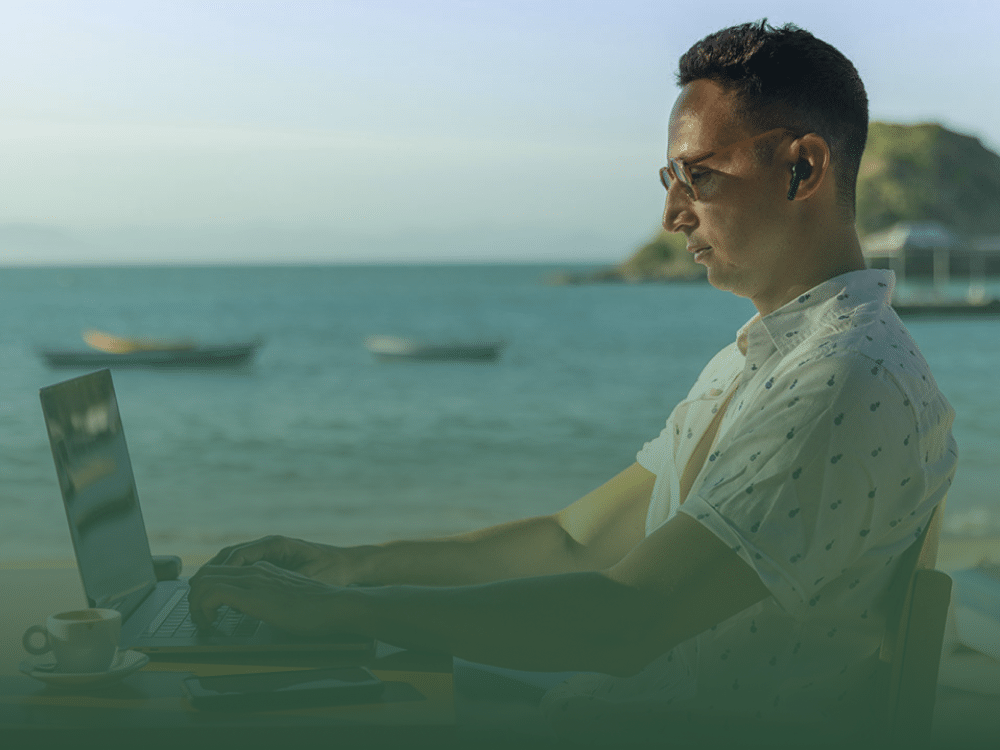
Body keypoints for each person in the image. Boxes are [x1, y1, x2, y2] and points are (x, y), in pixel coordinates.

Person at [188, 20, 956, 741]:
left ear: (804, 167)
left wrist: (340, 614)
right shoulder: (767, 359)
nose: (671, 214)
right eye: (670, 177)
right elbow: (572, 542)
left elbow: (624, 622)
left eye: (699, 176)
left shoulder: (842, 381)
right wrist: (340, 570)